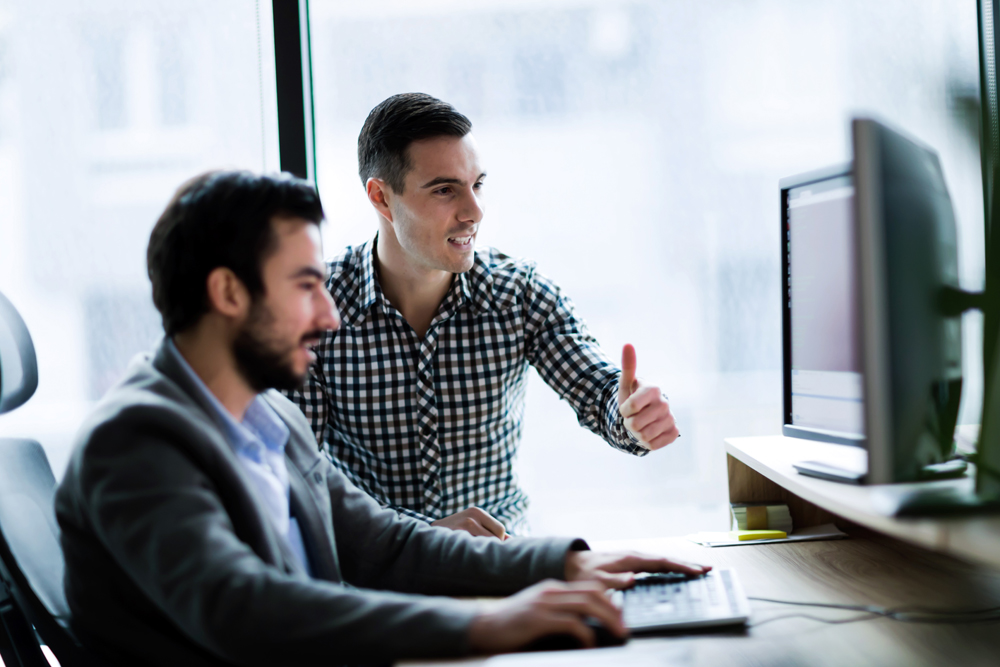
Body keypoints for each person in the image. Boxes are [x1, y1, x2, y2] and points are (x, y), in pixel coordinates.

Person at [54, 170, 708, 666]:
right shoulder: (136, 439)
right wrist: (486, 625)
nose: (330, 314)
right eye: (305, 286)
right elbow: (242, 608)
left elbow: (385, 543)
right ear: (228, 292)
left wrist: (564, 563)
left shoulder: (267, 414)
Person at [286, 92, 679, 537]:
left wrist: (631, 417)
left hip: (501, 564)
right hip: (374, 573)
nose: (474, 212)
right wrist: (423, 534)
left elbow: (601, 392)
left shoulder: (518, 294)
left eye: (477, 185)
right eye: (444, 190)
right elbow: (299, 477)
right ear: (381, 198)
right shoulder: (314, 311)